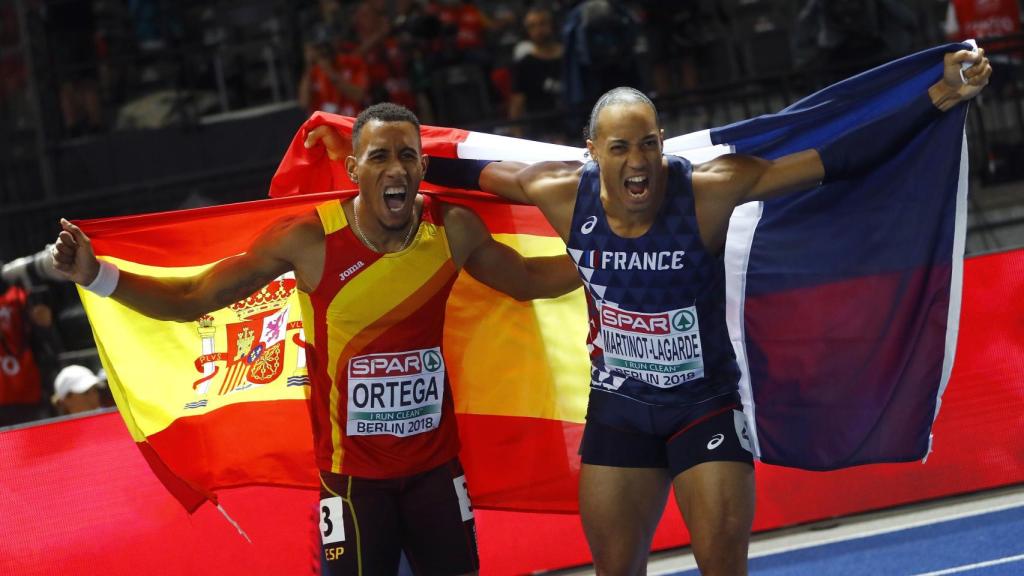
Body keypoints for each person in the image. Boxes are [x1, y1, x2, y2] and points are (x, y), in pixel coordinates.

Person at [307, 47, 991, 575]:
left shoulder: (711, 191)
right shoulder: (556, 191)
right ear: (592, 153)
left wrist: (935, 96)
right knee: (616, 569)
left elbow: (829, 159)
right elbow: (446, 166)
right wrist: (357, 148)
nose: (638, 162)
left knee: (722, 567)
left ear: (662, 143)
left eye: (647, 144)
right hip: (620, 415)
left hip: (704, 409)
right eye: (620, 147)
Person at [51, 102, 581, 576]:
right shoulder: (309, 240)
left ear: (423, 166)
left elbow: (530, 281)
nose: (395, 169)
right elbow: (195, 295)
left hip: (435, 476)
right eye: (379, 157)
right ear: (354, 169)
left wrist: (612, 249)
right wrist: (98, 276)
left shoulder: (454, 229)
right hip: (353, 483)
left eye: (407, 156)